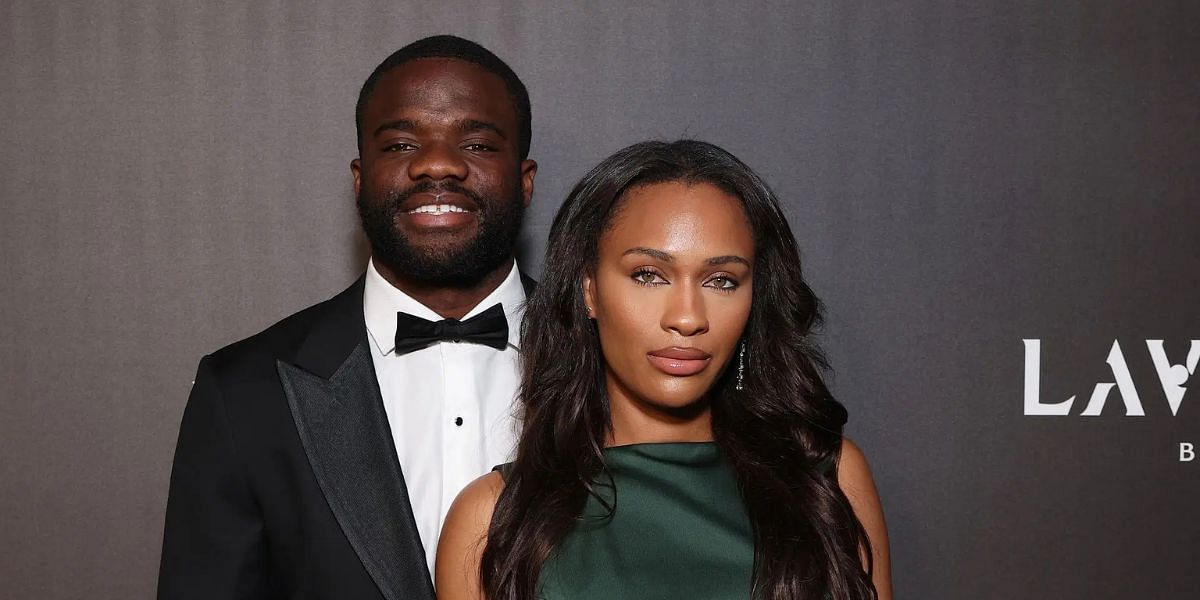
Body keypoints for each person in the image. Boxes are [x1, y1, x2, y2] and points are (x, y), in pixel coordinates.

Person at [158, 35, 538, 600]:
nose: (437, 163)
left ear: (525, 180)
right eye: (402, 144)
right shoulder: (242, 393)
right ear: (359, 179)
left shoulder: (617, 363)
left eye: (479, 145)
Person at [435, 140, 892, 600]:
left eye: (722, 281)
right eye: (648, 275)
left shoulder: (826, 479)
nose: (689, 317)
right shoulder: (491, 517)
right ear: (588, 289)